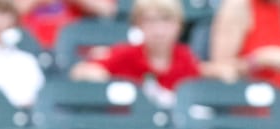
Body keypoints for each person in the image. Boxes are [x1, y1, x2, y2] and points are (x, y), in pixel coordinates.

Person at [70, 0, 206, 107]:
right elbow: (81, 71)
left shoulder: (186, 57)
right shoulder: (126, 54)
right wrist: (105, 79)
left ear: (179, 25)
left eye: (166, 20)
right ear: (138, 24)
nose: (159, 30)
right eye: (151, 21)